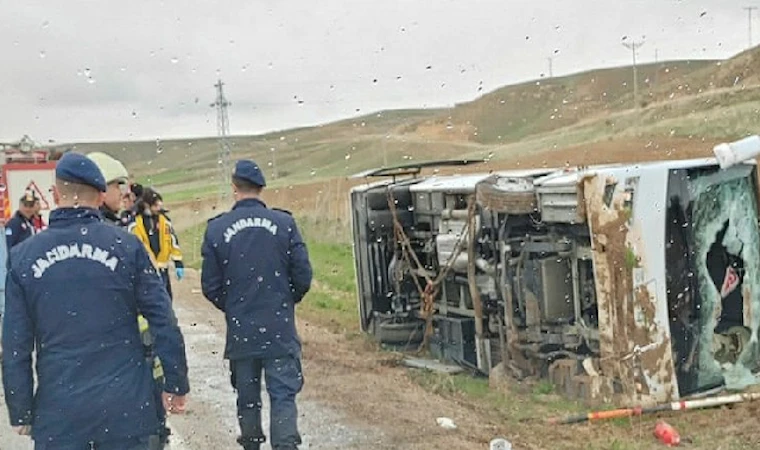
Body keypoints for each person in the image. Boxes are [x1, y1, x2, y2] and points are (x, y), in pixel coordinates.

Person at [1, 152, 190, 450]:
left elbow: (15, 343)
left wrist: (21, 407)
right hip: (125, 410)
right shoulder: (127, 247)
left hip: (60, 413)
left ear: (54, 194)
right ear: (101, 195)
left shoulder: (25, 257)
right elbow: (162, 319)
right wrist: (176, 382)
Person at [201, 160, 313, 450]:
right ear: (261, 188)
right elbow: (303, 275)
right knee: (283, 396)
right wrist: (284, 300)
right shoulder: (284, 223)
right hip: (279, 327)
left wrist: (236, 306)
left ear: (234, 188)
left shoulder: (217, 229)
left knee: (247, 398)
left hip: (243, 330)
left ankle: (251, 444)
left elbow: (210, 286)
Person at [87, 151, 173, 446]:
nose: (126, 193)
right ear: (101, 189)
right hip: (130, 353)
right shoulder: (116, 238)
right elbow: (152, 301)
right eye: (119, 185)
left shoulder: (118, 227)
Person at [129, 188, 184, 299]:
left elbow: (172, 240)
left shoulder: (164, 221)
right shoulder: (135, 224)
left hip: (163, 269)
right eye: (155, 205)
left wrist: (178, 262)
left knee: (166, 300)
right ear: (146, 205)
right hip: (146, 272)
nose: (158, 208)